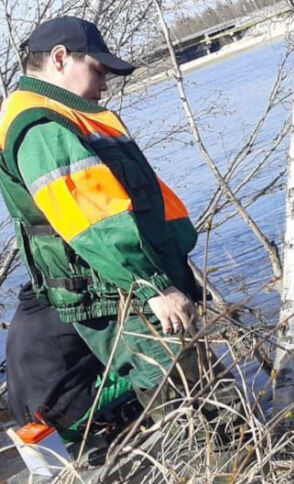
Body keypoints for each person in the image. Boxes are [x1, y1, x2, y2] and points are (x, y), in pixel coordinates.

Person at [0, 16, 211, 417]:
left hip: (132, 288)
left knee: (195, 388)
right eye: (98, 69)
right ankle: (224, 474)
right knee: (190, 396)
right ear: (60, 58)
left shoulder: (63, 114)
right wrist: (156, 287)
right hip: (120, 295)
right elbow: (96, 223)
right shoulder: (43, 125)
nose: (105, 82)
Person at [5, 282, 140, 444]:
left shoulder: (25, 310)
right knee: (144, 365)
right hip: (70, 421)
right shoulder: (70, 303)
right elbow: (120, 343)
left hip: (36, 430)